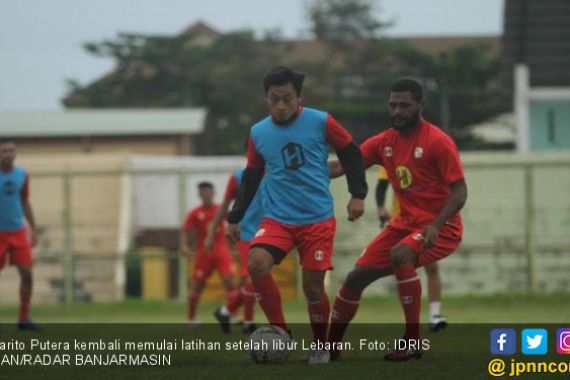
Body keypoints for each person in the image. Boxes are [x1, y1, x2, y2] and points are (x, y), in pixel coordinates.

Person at [225, 66, 367, 364]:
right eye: (274, 99)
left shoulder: (321, 121)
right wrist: (235, 216)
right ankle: (280, 332)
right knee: (256, 263)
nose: (280, 105)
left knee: (312, 287)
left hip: (316, 220)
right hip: (277, 219)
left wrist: (358, 194)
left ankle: (321, 349)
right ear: (266, 98)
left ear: (299, 97)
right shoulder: (258, 132)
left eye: (287, 98)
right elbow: (252, 175)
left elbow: (352, 153)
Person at [328, 78, 467, 362]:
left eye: (405, 105)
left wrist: (436, 225)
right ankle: (329, 350)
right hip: (404, 224)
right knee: (355, 278)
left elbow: (460, 192)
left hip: (442, 228)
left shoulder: (438, 142)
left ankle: (412, 342)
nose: (398, 111)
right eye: (393, 105)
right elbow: (342, 167)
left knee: (400, 254)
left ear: (421, 105)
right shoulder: (383, 142)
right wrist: (302, 166)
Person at [376, 167, 448, 332]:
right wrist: (380, 208)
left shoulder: (426, 159)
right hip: (401, 223)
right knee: (400, 268)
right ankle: (409, 320)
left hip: (423, 221)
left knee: (431, 266)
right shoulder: (393, 155)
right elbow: (381, 185)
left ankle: (435, 315)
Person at [206, 169, 262, 334]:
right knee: (252, 279)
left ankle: (225, 312)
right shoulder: (237, 177)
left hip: (268, 232)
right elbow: (225, 205)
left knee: (258, 280)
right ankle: (248, 323)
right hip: (245, 233)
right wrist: (211, 233)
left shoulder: (275, 170)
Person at [179, 182, 237, 325]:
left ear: (213, 193)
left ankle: (233, 314)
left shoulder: (220, 209)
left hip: (221, 251)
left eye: (208, 191)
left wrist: (235, 240)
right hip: (203, 253)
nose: (206, 194)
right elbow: (185, 229)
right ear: (200, 194)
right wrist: (184, 245)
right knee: (197, 285)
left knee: (229, 281)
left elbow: (233, 223)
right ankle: (191, 318)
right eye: (203, 192)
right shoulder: (195, 212)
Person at [0, 140, 40, 330]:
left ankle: (24, 317)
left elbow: (24, 201)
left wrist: (34, 228)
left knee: (27, 273)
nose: (8, 154)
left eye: (11, 151)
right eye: (4, 151)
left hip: (17, 231)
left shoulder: (22, 175)